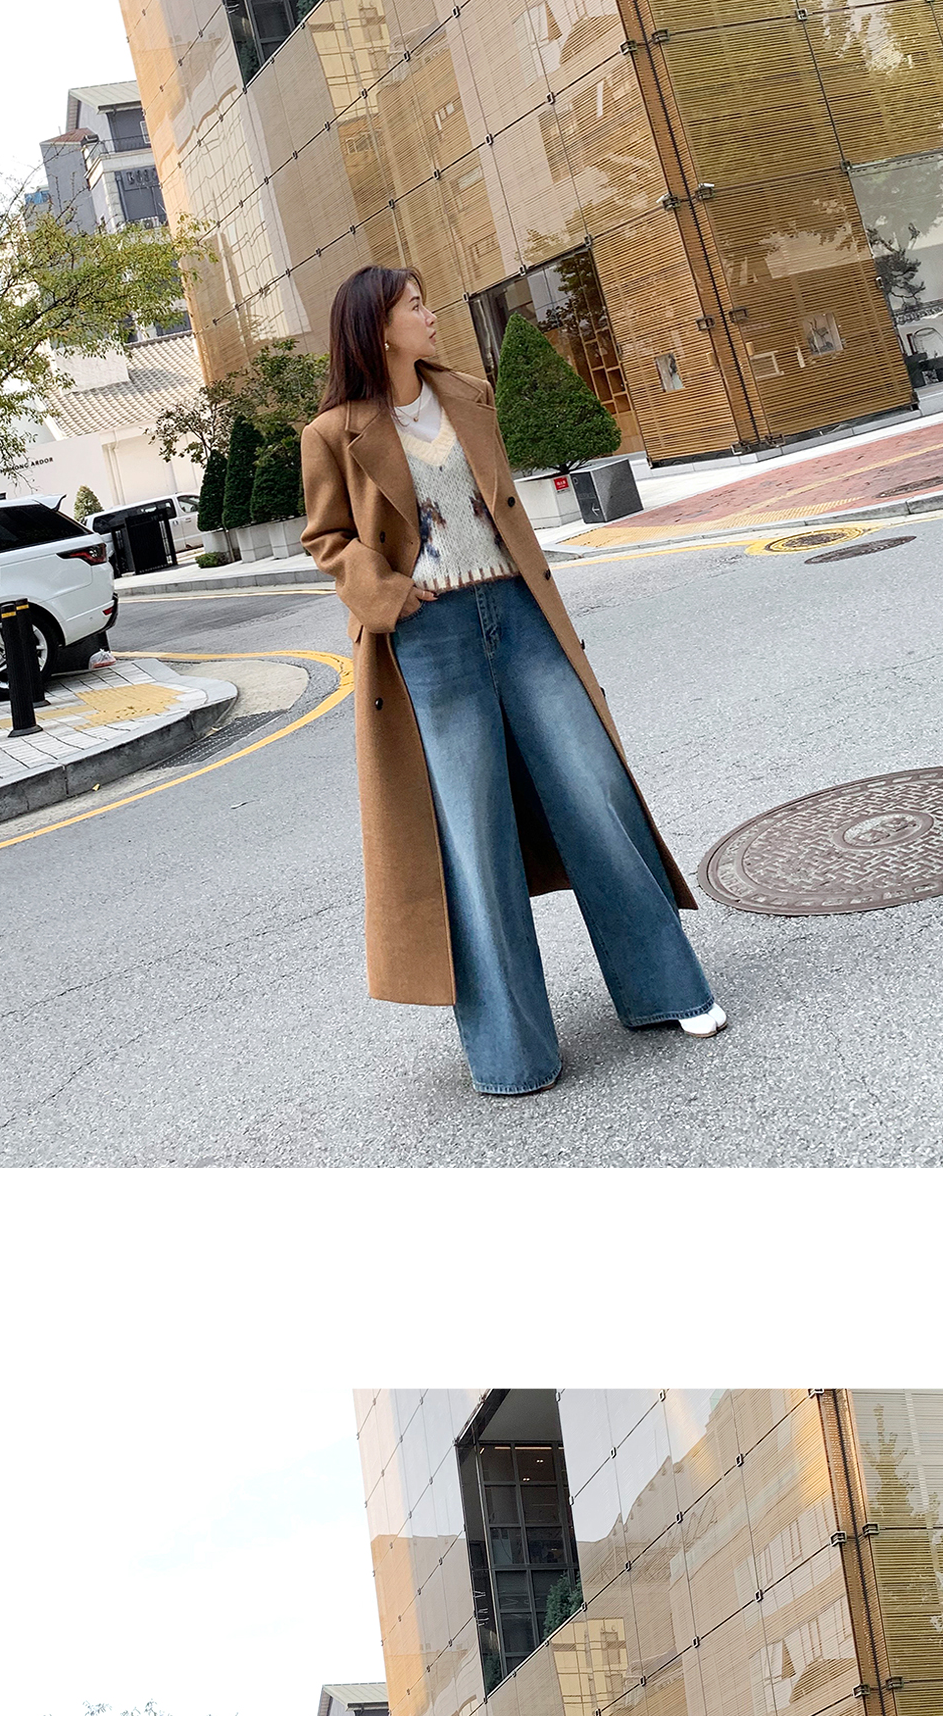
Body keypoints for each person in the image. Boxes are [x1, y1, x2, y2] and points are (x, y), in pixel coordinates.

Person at [300, 263, 726, 1099]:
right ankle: (513, 1051)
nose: (431, 315)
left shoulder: (468, 394)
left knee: (593, 791)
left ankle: (667, 988)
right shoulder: (333, 433)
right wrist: (388, 594)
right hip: (431, 638)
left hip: (520, 616)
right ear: (378, 327)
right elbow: (327, 537)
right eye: (415, 306)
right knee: (472, 835)